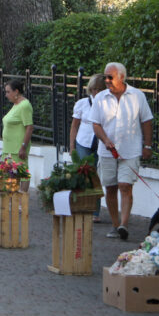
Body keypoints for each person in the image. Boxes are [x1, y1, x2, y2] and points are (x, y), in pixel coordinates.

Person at [88, 62, 153, 241]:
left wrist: (147, 146)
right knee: (110, 188)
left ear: (122, 77)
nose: (107, 80)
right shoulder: (100, 98)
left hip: (130, 151)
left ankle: (124, 224)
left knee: (125, 186)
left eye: (111, 77)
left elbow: (146, 121)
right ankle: (115, 225)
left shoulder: (137, 96)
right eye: (105, 77)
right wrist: (105, 140)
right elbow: (95, 124)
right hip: (107, 151)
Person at [69, 74, 107, 222]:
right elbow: (74, 125)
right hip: (83, 142)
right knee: (83, 173)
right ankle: (80, 205)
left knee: (95, 176)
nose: (96, 93)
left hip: (100, 144)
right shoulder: (82, 104)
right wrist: (72, 145)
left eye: (99, 89)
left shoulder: (108, 105)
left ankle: (94, 210)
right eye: (94, 89)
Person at [1, 79, 34, 168]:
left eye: (8, 92)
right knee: (8, 176)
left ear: (16, 91)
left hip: (18, 149)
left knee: (21, 175)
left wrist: (23, 147)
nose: (6, 95)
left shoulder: (24, 106)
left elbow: (29, 127)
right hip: (9, 148)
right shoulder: (16, 104)